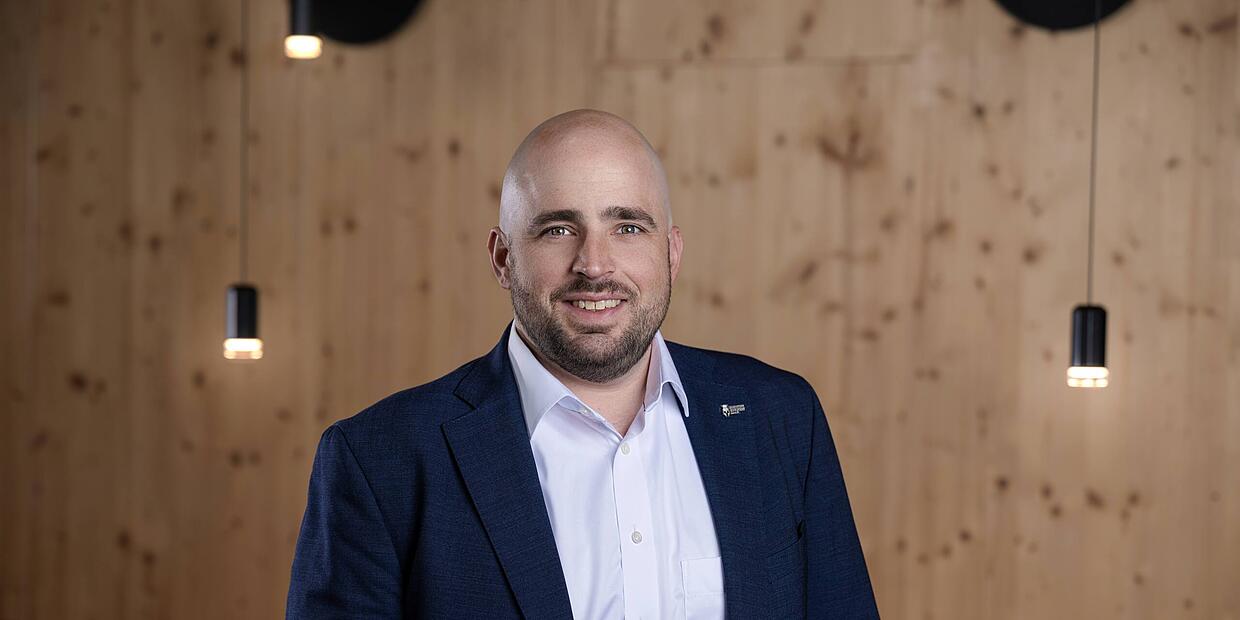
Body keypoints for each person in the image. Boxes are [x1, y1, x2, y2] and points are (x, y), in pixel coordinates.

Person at [285, 109, 879, 619]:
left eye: (628, 226)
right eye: (558, 229)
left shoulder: (780, 417)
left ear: (671, 254)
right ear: (502, 257)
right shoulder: (379, 460)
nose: (594, 264)